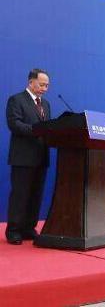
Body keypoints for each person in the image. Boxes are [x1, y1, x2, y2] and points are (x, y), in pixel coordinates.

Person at [5, 69, 51, 245]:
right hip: (23, 157)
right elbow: (14, 124)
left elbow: (48, 127)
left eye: (47, 85)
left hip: (41, 156)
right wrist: (36, 130)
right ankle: (14, 230)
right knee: (20, 195)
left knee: (35, 195)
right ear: (31, 82)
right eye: (42, 84)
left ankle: (28, 228)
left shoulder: (45, 104)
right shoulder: (16, 100)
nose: (45, 88)